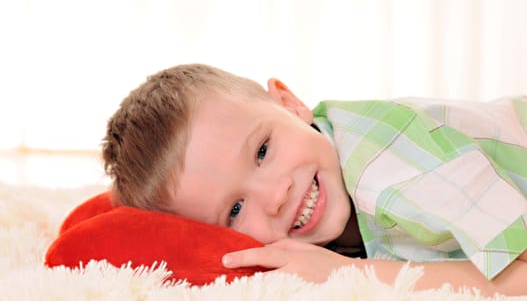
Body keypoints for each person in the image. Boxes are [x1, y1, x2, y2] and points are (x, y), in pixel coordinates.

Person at [102, 63, 527, 296]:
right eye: (234, 210)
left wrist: (349, 273)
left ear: (290, 104)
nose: (275, 195)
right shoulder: (320, 181)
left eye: (262, 151)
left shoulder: (390, 162)